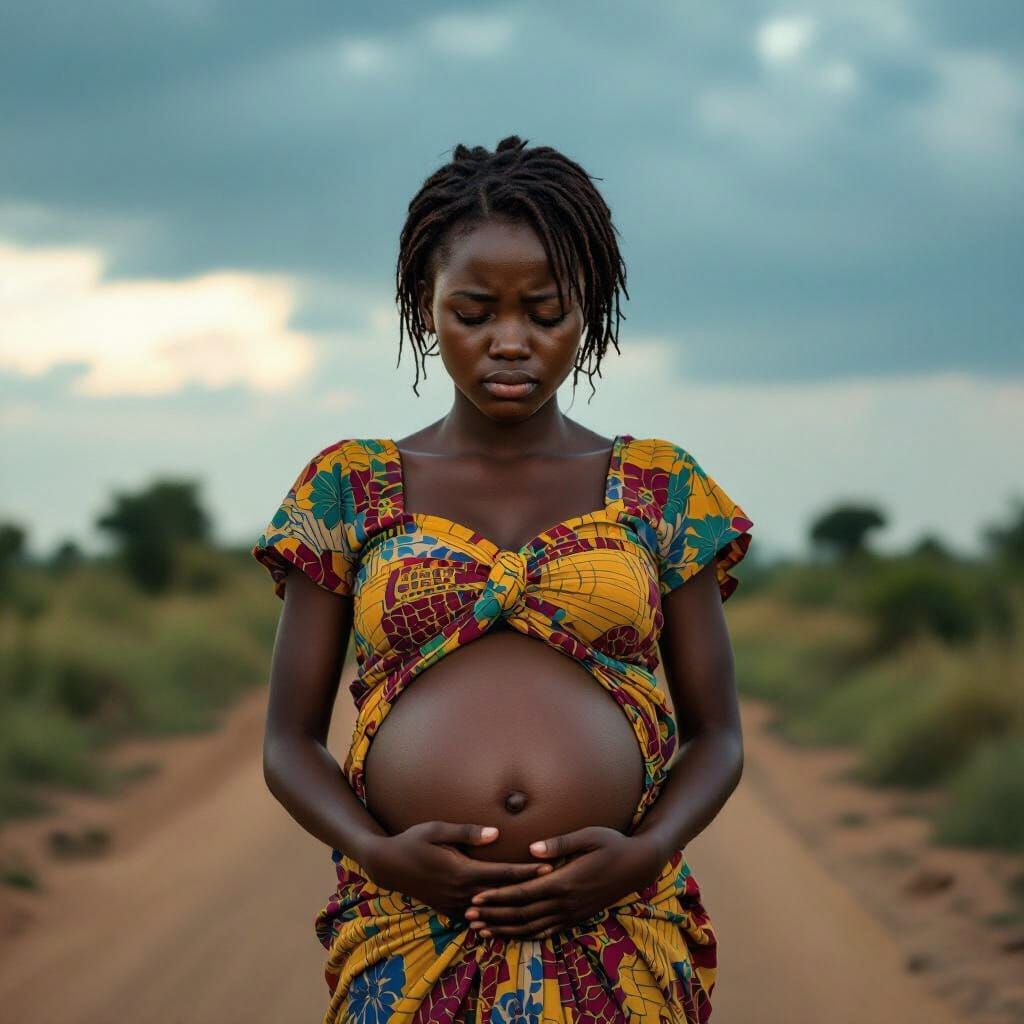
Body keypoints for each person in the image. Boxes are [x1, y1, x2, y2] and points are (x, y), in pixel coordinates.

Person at [252, 135, 753, 1024]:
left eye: (547, 312)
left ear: (588, 310)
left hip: (621, 933)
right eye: (475, 312)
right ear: (424, 305)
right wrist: (378, 852)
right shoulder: (349, 486)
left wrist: (652, 850)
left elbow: (716, 735)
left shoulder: (662, 487)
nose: (510, 343)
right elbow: (289, 743)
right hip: (410, 935)